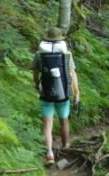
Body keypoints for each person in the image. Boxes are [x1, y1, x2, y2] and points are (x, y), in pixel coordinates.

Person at [33, 26, 80, 164]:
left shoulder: (39, 54)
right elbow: (72, 74)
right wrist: (77, 93)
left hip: (46, 93)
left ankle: (49, 154)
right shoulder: (67, 54)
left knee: (47, 124)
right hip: (63, 93)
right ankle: (65, 146)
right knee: (63, 120)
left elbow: (35, 75)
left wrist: (37, 86)